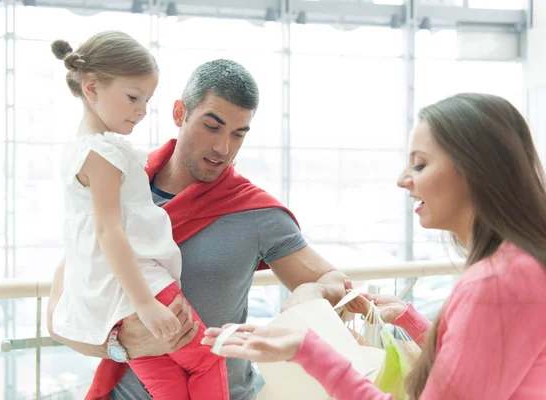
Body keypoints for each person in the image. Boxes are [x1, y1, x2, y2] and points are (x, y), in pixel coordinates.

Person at [203, 93, 546, 399]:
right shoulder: (518, 267)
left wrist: (309, 351)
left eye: (421, 164)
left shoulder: (497, 285)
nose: (402, 179)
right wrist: (409, 321)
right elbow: (477, 366)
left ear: (474, 171)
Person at [47, 57, 349, 400]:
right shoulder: (118, 184)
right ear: (180, 113)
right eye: (212, 126)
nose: (223, 148)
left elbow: (332, 281)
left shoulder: (255, 211)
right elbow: (59, 316)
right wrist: (119, 345)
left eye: (238, 134)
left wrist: (314, 295)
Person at [49, 31, 230, 400]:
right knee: (209, 359)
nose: (141, 109)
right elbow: (109, 232)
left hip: (111, 298)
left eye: (146, 99)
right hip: (139, 287)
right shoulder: (103, 154)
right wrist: (146, 304)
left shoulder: (82, 150)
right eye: (133, 97)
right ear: (92, 87)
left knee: (168, 387)